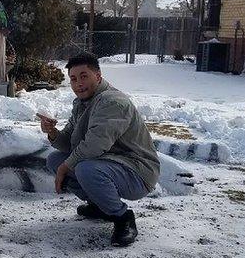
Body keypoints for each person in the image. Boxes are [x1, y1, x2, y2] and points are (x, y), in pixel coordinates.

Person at [39, 52, 160, 247]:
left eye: (84, 76)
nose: (79, 83)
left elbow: (95, 145)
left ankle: (123, 218)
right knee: (55, 159)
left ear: (98, 76)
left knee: (84, 168)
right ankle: (100, 206)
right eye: (73, 79)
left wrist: (65, 168)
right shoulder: (82, 103)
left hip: (137, 171)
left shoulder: (112, 102)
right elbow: (70, 143)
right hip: (110, 163)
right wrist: (52, 132)